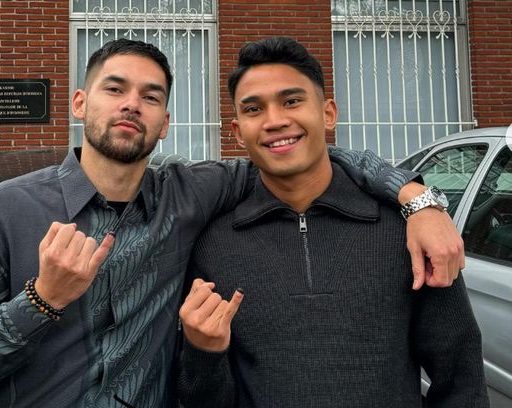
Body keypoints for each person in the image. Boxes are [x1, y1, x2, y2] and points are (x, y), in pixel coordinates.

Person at [0, 39, 464, 407]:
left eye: (150, 97)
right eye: (115, 89)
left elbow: (294, 152)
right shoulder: (7, 210)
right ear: (80, 103)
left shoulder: (189, 195)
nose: (132, 105)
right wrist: (41, 300)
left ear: (164, 124)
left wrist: (419, 199)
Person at [177, 37, 488, 407]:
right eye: (254, 109)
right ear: (237, 131)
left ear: (328, 113)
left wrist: (420, 204)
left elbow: (461, 382)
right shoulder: (214, 243)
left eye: (292, 101)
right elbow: (204, 401)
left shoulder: (405, 233)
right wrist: (203, 353)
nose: (275, 121)